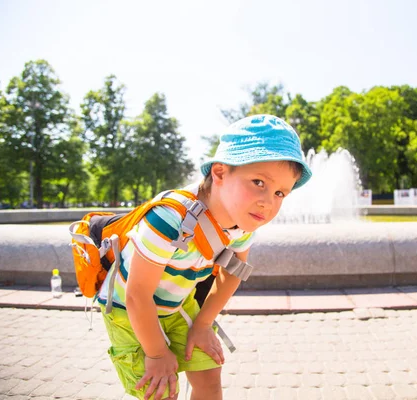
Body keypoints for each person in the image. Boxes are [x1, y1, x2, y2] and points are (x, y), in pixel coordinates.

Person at [97, 114, 312, 400]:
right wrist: (158, 354)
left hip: (176, 306)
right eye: (258, 182)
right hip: (129, 311)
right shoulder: (169, 219)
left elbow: (233, 271)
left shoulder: (241, 223)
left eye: (280, 193)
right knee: (161, 390)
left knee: (209, 381)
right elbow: (137, 295)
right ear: (220, 173)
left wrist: (202, 324)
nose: (268, 202)